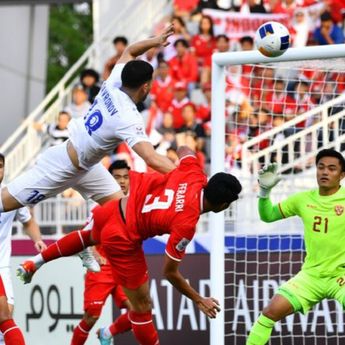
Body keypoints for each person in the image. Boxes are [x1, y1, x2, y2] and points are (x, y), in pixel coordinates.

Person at [17, 146, 242, 345]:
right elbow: (170, 272)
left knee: (88, 237)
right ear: (223, 205)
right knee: (142, 307)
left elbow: (184, 149)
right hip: (123, 238)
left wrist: (182, 174)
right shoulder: (187, 223)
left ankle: (34, 263)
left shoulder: (194, 173)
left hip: (115, 208)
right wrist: (199, 299)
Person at [0, 25, 176, 215]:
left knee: (124, 215)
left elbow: (130, 50)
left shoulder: (115, 81)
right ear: (145, 87)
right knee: (4, 203)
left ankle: (96, 244)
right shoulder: (128, 116)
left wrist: (155, 41)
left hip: (89, 168)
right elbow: (151, 158)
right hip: (63, 166)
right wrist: (186, 176)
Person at [246, 149, 345, 345]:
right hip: (311, 276)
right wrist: (264, 193)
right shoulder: (303, 199)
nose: (325, 172)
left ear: (342, 175)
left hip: (340, 276)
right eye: (321, 167)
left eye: (332, 169)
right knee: (268, 314)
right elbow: (268, 216)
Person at [72, 160, 132, 345]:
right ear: (109, 180)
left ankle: (107, 332)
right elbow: (84, 237)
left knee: (139, 311)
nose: (122, 181)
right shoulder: (100, 208)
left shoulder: (135, 206)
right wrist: (94, 254)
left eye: (125, 177)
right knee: (91, 317)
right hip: (102, 269)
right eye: (117, 177)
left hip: (124, 269)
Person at [0, 154, 46, 345]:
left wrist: (38, 240)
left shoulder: (10, 196)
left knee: (6, 314)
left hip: (2, 268)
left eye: (0, 166)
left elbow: (28, 221)